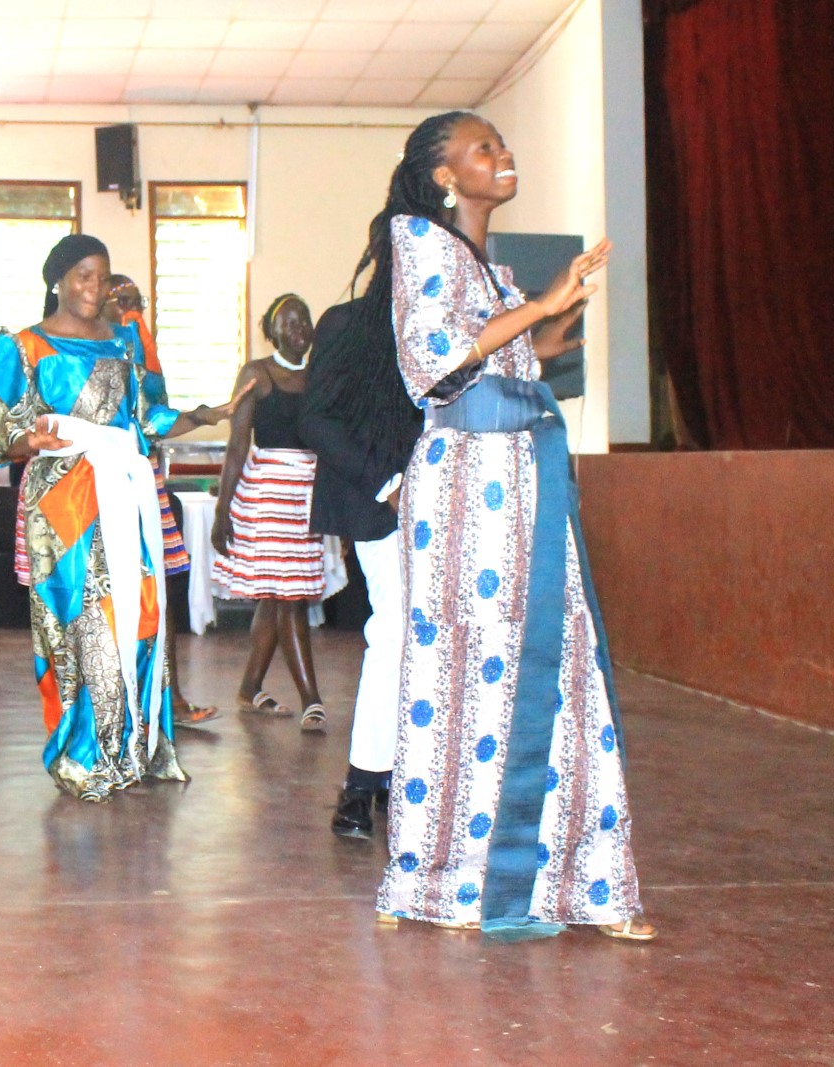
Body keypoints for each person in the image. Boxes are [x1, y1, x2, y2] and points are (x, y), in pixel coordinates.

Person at [368, 111, 653, 941]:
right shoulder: (420, 240)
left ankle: (582, 882)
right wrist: (539, 308)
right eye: (483, 148)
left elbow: (511, 359)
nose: (504, 154)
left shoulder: (481, 264)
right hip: (469, 484)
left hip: (523, 477)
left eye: (502, 142)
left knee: (557, 656)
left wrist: (558, 314)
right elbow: (436, 359)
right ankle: (444, 882)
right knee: (470, 670)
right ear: (445, 174)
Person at [0, 234, 243, 801]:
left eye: (101, 278)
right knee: (77, 623)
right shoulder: (22, 346)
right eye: (83, 275)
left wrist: (203, 415)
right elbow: (0, 434)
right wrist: (30, 440)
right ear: (56, 279)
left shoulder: (123, 342)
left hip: (125, 488)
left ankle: (134, 747)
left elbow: (147, 418)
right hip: (62, 499)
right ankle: (83, 755)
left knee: (141, 612)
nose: (94, 288)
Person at [295, 293, 424, 841]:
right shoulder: (347, 322)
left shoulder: (444, 316)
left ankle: (401, 771)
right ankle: (361, 784)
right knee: (394, 632)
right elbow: (316, 418)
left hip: (454, 496)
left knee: (429, 641)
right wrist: (388, 484)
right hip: (383, 504)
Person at [101, 274, 218, 727]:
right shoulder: (93, 349)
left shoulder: (142, 350)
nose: (132, 312)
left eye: (138, 303)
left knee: (161, 588)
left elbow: (155, 412)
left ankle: (171, 698)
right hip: (103, 480)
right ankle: (116, 703)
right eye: (121, 302)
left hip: (145, 476)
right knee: (109, 595)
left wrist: (202, 415)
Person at [210, 294, 327, 727]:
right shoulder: (256, 374)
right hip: (268, 495)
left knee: (279, 595)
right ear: (271, 331)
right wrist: (223, 509)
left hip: (307, 495)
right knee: (289, 595)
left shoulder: (319, 374)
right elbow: (237, 444)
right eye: (289, 322)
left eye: (305, 320)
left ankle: (249, 688)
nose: (299, 328)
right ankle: (312, 700)